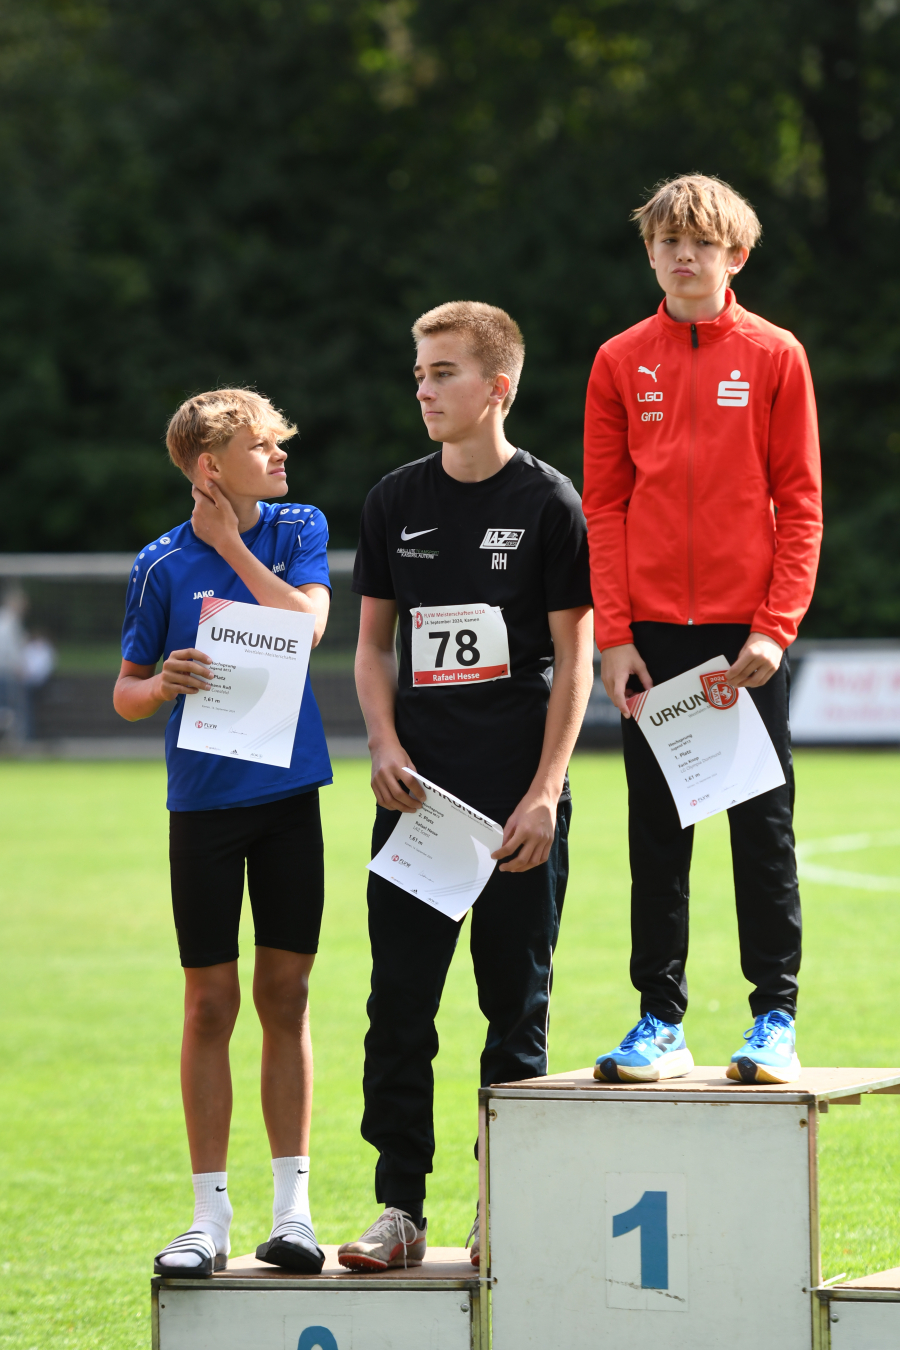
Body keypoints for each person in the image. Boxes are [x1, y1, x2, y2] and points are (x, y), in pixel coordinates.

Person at [338, 301, 594, 1272]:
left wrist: (546, 793)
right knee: (399, 1006)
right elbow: (371, 649)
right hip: (417, 805)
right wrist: (382, 744)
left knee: (512, 1007)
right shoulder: (394, 501)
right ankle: (399, 1207)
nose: (424, 389)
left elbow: (575, 664)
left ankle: (503, 1205)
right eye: (418, 372)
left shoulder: (549, 504)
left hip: (516, 806)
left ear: (499, 387)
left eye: (442, 371)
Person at [583, 175, 822, 1086]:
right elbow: (603, 506)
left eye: (703, 242)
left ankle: (774, 1018)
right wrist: (615, 634)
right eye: (668, 241)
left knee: (762, 830)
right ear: (649, 253)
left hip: (745, 640)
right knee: (658, 832)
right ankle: (660, 1021)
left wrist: (774, 629)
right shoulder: (618, 361)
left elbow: (801, 505)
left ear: (736, 257)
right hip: (650, 637)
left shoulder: (775, 355)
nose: (685, 255)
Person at [113, 389, 333, 1277]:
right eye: (262, 445)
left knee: (286, 998)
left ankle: (294, 1213)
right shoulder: (159, 566)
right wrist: (162, 682)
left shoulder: (298, 525)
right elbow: (125, 695)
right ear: (211, 466)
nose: (282, 455)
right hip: (202, 810)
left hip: (289, 804)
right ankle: (208, 1219)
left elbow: (308, 627)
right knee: (210, 1006)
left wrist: (231, 547)